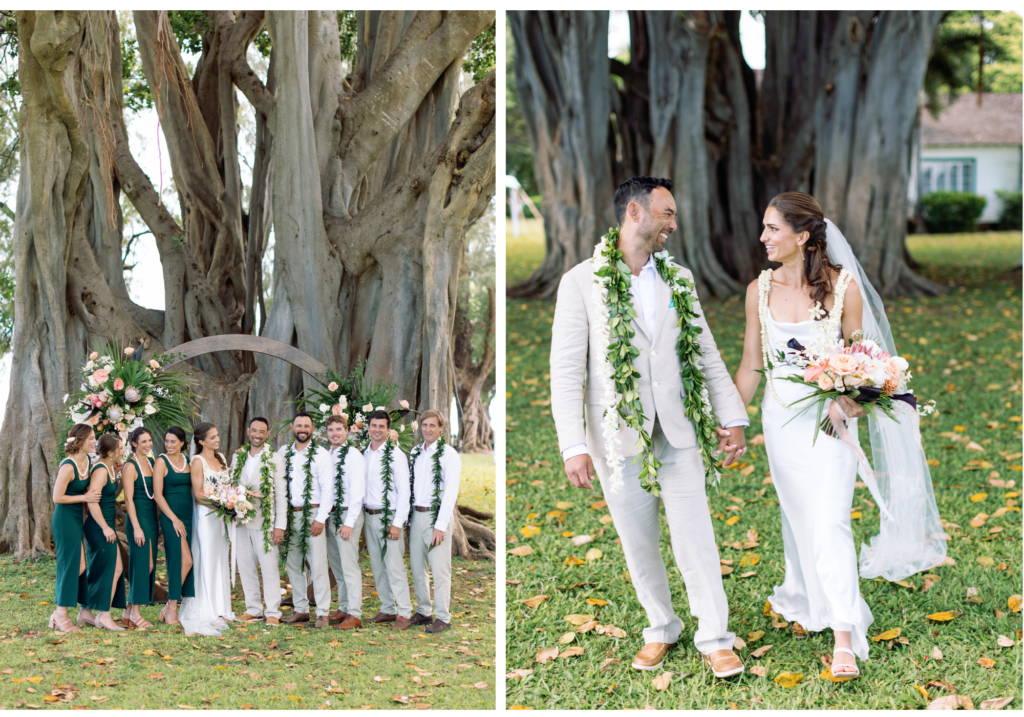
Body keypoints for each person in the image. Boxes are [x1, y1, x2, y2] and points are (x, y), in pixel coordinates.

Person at [728, 192, 946, 677]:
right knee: (801, 519)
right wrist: (732, 421)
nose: (762, 237)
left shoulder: (844, 288)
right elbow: (750, 364)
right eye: (763, 228)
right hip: (780, 422)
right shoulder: (756, 291)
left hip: (830, 426)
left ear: (802, 237)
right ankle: (811, 597)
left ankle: (846, 633)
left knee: (830, 521)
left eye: (772, 228)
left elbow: (865, 362)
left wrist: (851, 398)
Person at [550, 176, 749, 678]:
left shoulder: (678, 279)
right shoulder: (580, 282)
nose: (674, 224)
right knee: (638, 539)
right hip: (616, 439)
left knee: (695, 535)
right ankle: (661, 626)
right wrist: (573, 444)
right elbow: (567, 370)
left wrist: (733, 417)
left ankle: (715, 636)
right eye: (667, 213)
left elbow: (705, 352)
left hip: (679, 429)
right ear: (634, 213)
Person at [277, 412, 334, 629]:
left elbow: (328, 489)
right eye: (299, 425)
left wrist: (321, 518)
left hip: (313, 514)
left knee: (318, 564)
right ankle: (301, 609)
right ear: (292, 428)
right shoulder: (283, 453)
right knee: (293, 563)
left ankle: (322, 612)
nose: (302, 429)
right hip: (290, 514)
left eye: (306, 426)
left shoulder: (320, 454)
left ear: (312, 429)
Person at [230, 416, 288, 626]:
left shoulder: (274, 459)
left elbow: (281, 495)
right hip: (241, 522)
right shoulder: (239, 458)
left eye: (261, 432)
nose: (257, 435)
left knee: (269, 567)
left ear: (267, 434)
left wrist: (279, 526)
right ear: (248, 431)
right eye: (254, 430)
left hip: (265, 523)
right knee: (245, 566)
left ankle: (273, 611)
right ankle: (253, 609)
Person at [178, 421, 235, 636]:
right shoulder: (197, 461)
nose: (217, 439)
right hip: (207, 516)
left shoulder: (221, 459)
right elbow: (199, 494)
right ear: (201, 441)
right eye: (212, 437)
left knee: (220, 560)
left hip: (221, 519)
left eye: (217, 435)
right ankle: (208, 609)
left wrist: (232, 502)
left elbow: (226, 487)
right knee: (207, 560)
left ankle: (221, 608)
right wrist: (221, 505)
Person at [407, 409, 461, 633]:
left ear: (441, 428)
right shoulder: (415, 452)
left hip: (436, 516)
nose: (428, 429)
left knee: (440, 569)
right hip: (416, 515)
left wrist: (440, 525)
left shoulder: (449, 455)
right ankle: (423, 611)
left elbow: (450, 492)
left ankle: (443, 616)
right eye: (424, 425)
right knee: (418, 567)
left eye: (432, 425)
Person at [361, 410, 414, 629]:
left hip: (389, 516)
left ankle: (404, 613)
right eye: (374, 425)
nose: (377, 429)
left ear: (388, 430)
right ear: (368, 427)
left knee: (394, 566)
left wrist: (397, 523)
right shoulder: (364, 454)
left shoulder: (395, 455)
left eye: (382, 426)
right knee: (376, 565)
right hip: (369, 515)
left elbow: (404, 491)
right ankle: (387, 609)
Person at [49, 424, 102, 634]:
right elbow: (57, 497)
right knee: (71, 566)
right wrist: (84, 498)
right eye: (91, 438)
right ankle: (61, 614)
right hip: (64, 519)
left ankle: (63, 613)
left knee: (80, 566)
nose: (94, 441)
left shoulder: (87, 461)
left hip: (77, 520)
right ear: (79, 440)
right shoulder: (68, 466)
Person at [323, 414, 367, 630]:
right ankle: (343, 606)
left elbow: (358, 493)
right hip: (331, 515)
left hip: (349, 514)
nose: (335, 434)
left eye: (339, 429)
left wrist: (349, 522)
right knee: (337, 565)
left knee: (349, 566)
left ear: (347, 431)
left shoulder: (353, 457)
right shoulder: (326, 455)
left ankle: (355, 613)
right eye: (331, 430)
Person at [79, 433, 127, 631]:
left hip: (105, 525)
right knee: (113, 569)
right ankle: (104, 616)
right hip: (99, 526)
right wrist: (106, 527)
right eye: (121, 448)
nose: (123, 451)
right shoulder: (100, 470)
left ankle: (85, 612)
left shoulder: (108, 467)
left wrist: (117, 471)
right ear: (110, 452)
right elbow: (92, 501)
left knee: (102, 568)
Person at [153, 426, 193, 625]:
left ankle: (170, 607)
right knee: (185, 561)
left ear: (182, 443)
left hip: (189, 516)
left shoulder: (188, 461)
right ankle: (170, 607)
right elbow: (158, 495)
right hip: (171, 517)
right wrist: (173, 519)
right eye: (167, 441)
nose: (169, 445)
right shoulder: (161, 461)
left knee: (187, 561)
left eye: (173, 442)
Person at [121, 427, 159, 629]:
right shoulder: (130, 466)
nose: (147, 445)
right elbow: (128, 499)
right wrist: (136, 527)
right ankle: (135, 613)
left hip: (152, 518)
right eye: (143, 441)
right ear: (134, 443)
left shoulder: (152, 462)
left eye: (149, 440)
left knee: (150, 564)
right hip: (138, 520)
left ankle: (129, 611)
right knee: (145, 565)